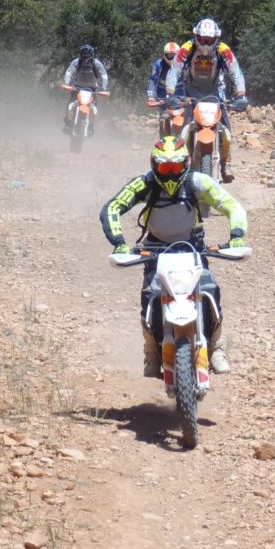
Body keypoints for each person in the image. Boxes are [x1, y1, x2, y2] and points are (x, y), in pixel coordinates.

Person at [100, 136, 247, 378]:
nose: (169, 174)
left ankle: (217, 348)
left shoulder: (199, 182)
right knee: (150, 297)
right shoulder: (143, 184)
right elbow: (112, 207)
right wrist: (119, 243)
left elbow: (231, 205)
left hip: (192, 247)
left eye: (175, 167)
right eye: (164, 168)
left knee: (209, 291)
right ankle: (151, 351)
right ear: (154, 165)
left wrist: (237, 235)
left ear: (186, 163)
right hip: (155, 250)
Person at [164, 18, 248, 182]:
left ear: (216, 38)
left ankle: (226, 163)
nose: (206, 43)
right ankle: (180, 162)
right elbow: (174, 71)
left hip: (214, 93)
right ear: (196, 35)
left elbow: (235, 71)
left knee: (226, 129)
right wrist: (170, 93)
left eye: (210, 39)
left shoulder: (223, 50)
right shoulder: (187, 48)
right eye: (203, 39)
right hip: (191, 93)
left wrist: (241, 94)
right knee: (183, 128)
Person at [62, 43, 109, 133]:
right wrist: (66, 83)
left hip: (91, 90)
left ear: (92, 55)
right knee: (71, 105)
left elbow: (104, 75)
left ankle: (91, 126)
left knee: (93, 108)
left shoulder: (97, 63)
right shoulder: (76, 62)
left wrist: (104, 88)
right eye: (84, 54)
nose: (85, 56)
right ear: (81, 54)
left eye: (87, 54)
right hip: (77, 88)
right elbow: (69, 72)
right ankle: (68, 123)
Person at [147, 41, 184, 136]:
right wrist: (151, 97)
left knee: (188, 121)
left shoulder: (185, 65)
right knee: (163, 119)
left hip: (181, 99)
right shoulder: (159, 65)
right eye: (169, 55)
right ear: (164, 54)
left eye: (174, 55)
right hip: (163, 99)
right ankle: (163, 142)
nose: (171, 58)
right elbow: (152, 81)